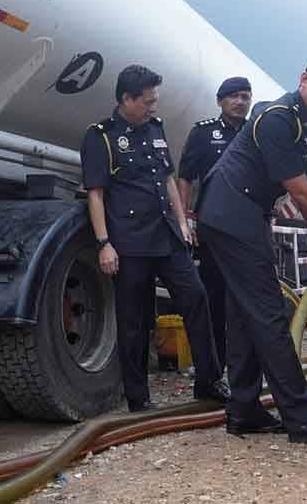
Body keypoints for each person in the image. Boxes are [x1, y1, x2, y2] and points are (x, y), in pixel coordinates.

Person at [197, 51, 307, 445]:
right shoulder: (279, 118)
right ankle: (304, 418)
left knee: (244, 315)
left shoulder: (300, 123)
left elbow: (302, 195)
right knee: (270, 314)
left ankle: (244, 410)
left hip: (235, 214)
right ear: (305, 78)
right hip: (232, 213)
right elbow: (302, 193)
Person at [81, 64, 230, 412]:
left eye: (154, 101)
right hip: (130, 242)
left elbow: (168, 179)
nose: (153, 107)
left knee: (197, 298)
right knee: (134, 320)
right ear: (127, 99)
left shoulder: (156, 128)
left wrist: (182, 222)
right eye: (148, 101)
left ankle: (208, 381)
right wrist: (104, 244)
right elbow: (96, 194)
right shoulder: (101, 136)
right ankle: (138, 398)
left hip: (168, 237)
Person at [178, 76, 253, 366]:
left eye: (245, 96)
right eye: (233, 96)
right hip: (212, 227)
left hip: (248, 227)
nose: (240, 102)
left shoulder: (255, 131)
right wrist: (185, 218)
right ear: (220, 101)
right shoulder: (203, 133)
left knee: (246, 299)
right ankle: (216, 364)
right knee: (214, 296)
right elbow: (185, 177)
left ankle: (245, 365)